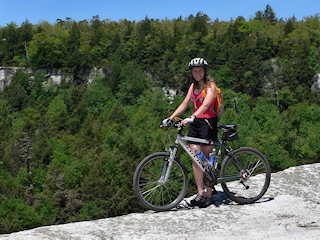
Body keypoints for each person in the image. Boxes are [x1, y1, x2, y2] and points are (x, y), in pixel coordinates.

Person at [163, 57, 218, 208]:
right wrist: (171, 117)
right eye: (195, 71)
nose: (197, 73)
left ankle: (209, 194)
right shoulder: (193, 86)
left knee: (205, 157)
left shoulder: (210, 86)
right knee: (196, 157)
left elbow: (206, 104)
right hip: (195, 124)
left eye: (200, 70)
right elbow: (185, 103)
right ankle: (200, 193)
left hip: (207, 123)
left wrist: (193, 116)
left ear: (204, 71)